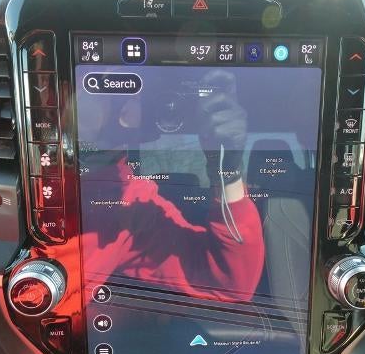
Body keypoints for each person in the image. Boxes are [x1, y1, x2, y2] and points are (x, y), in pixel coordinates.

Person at [80, 70, 265, 303]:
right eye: (100, 81)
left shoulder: (131, 205)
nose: (121, 100)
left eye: (134, 96)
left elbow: (231, 283)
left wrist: (227, 171)